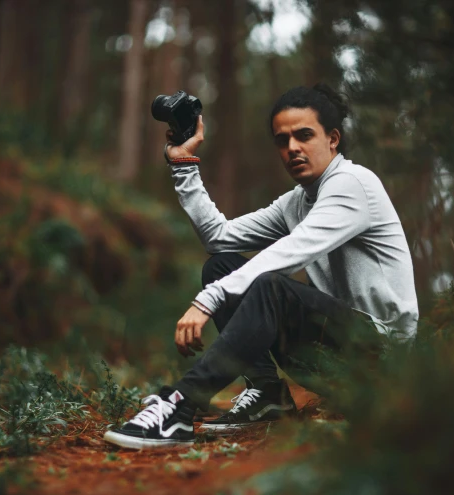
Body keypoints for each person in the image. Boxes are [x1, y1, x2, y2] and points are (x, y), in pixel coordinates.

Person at [103, 84, 419, 450]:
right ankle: (269, 395)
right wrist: (183, 165)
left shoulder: (353, 184)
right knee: (221, 265)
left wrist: (209, 300)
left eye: (304, 136)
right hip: (332, 359)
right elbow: (220, 238)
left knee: (271, 286)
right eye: (282, 141)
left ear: (333, 139)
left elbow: (294, 251)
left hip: (381, 361)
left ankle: (180, 407)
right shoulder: (297, 202)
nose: (292, 149)